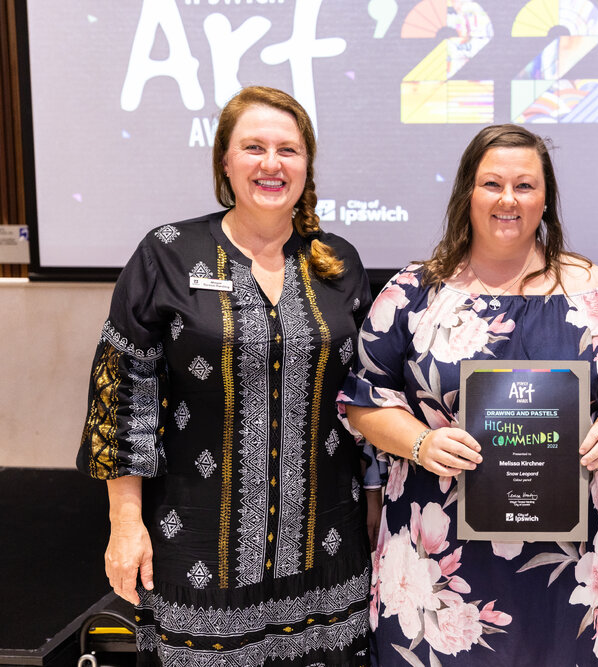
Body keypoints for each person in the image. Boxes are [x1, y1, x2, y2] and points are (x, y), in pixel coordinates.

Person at [76, 86, 379, 666]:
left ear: (307, 163)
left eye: (287, 150)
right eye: (254, 148)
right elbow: (120, 400)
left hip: (326, 547)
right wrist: (124, 523)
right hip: (195, 546)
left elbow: (362, 393)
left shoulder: (338, 262)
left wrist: (372, 495)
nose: (271, 164)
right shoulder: (167, 254)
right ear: (225, 161)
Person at [338, 124, 598, 666]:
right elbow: (363, 400)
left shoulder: (595, 290)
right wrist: (420, 443)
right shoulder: (414, 292)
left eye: (525, 186)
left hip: (573, 556)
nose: (508, 199)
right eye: (492, 184)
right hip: (439, 556)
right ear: (467, 195)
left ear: (546, 198)